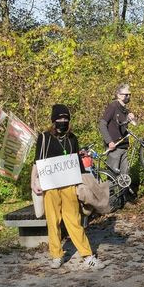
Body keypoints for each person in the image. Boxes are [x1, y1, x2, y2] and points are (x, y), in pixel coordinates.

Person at [31, 104, 105, 270]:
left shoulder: (73, 138)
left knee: (74, 221)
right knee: (53, 221)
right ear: (53, 120)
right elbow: (37, 162)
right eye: (59, 118)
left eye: (65, 118)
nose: (62, 121)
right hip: (50, 187)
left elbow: (77, 163)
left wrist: (83, 183)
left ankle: (87, 255)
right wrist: (33, 181)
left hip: (69, 186)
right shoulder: (44, 138)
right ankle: (56, 255)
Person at [98, 84, 136, 187]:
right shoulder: (113, 106)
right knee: (112, 177)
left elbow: (133, 124)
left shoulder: (125, 109)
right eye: (126, 95)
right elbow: (102, 124)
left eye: (129, 95)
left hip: (124, 146)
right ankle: (110, 200)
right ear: (118, 95)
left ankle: (121, 200)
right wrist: (109, 141)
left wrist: (132, 118)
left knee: (124, 178)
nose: (128, 97)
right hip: (114, 148)